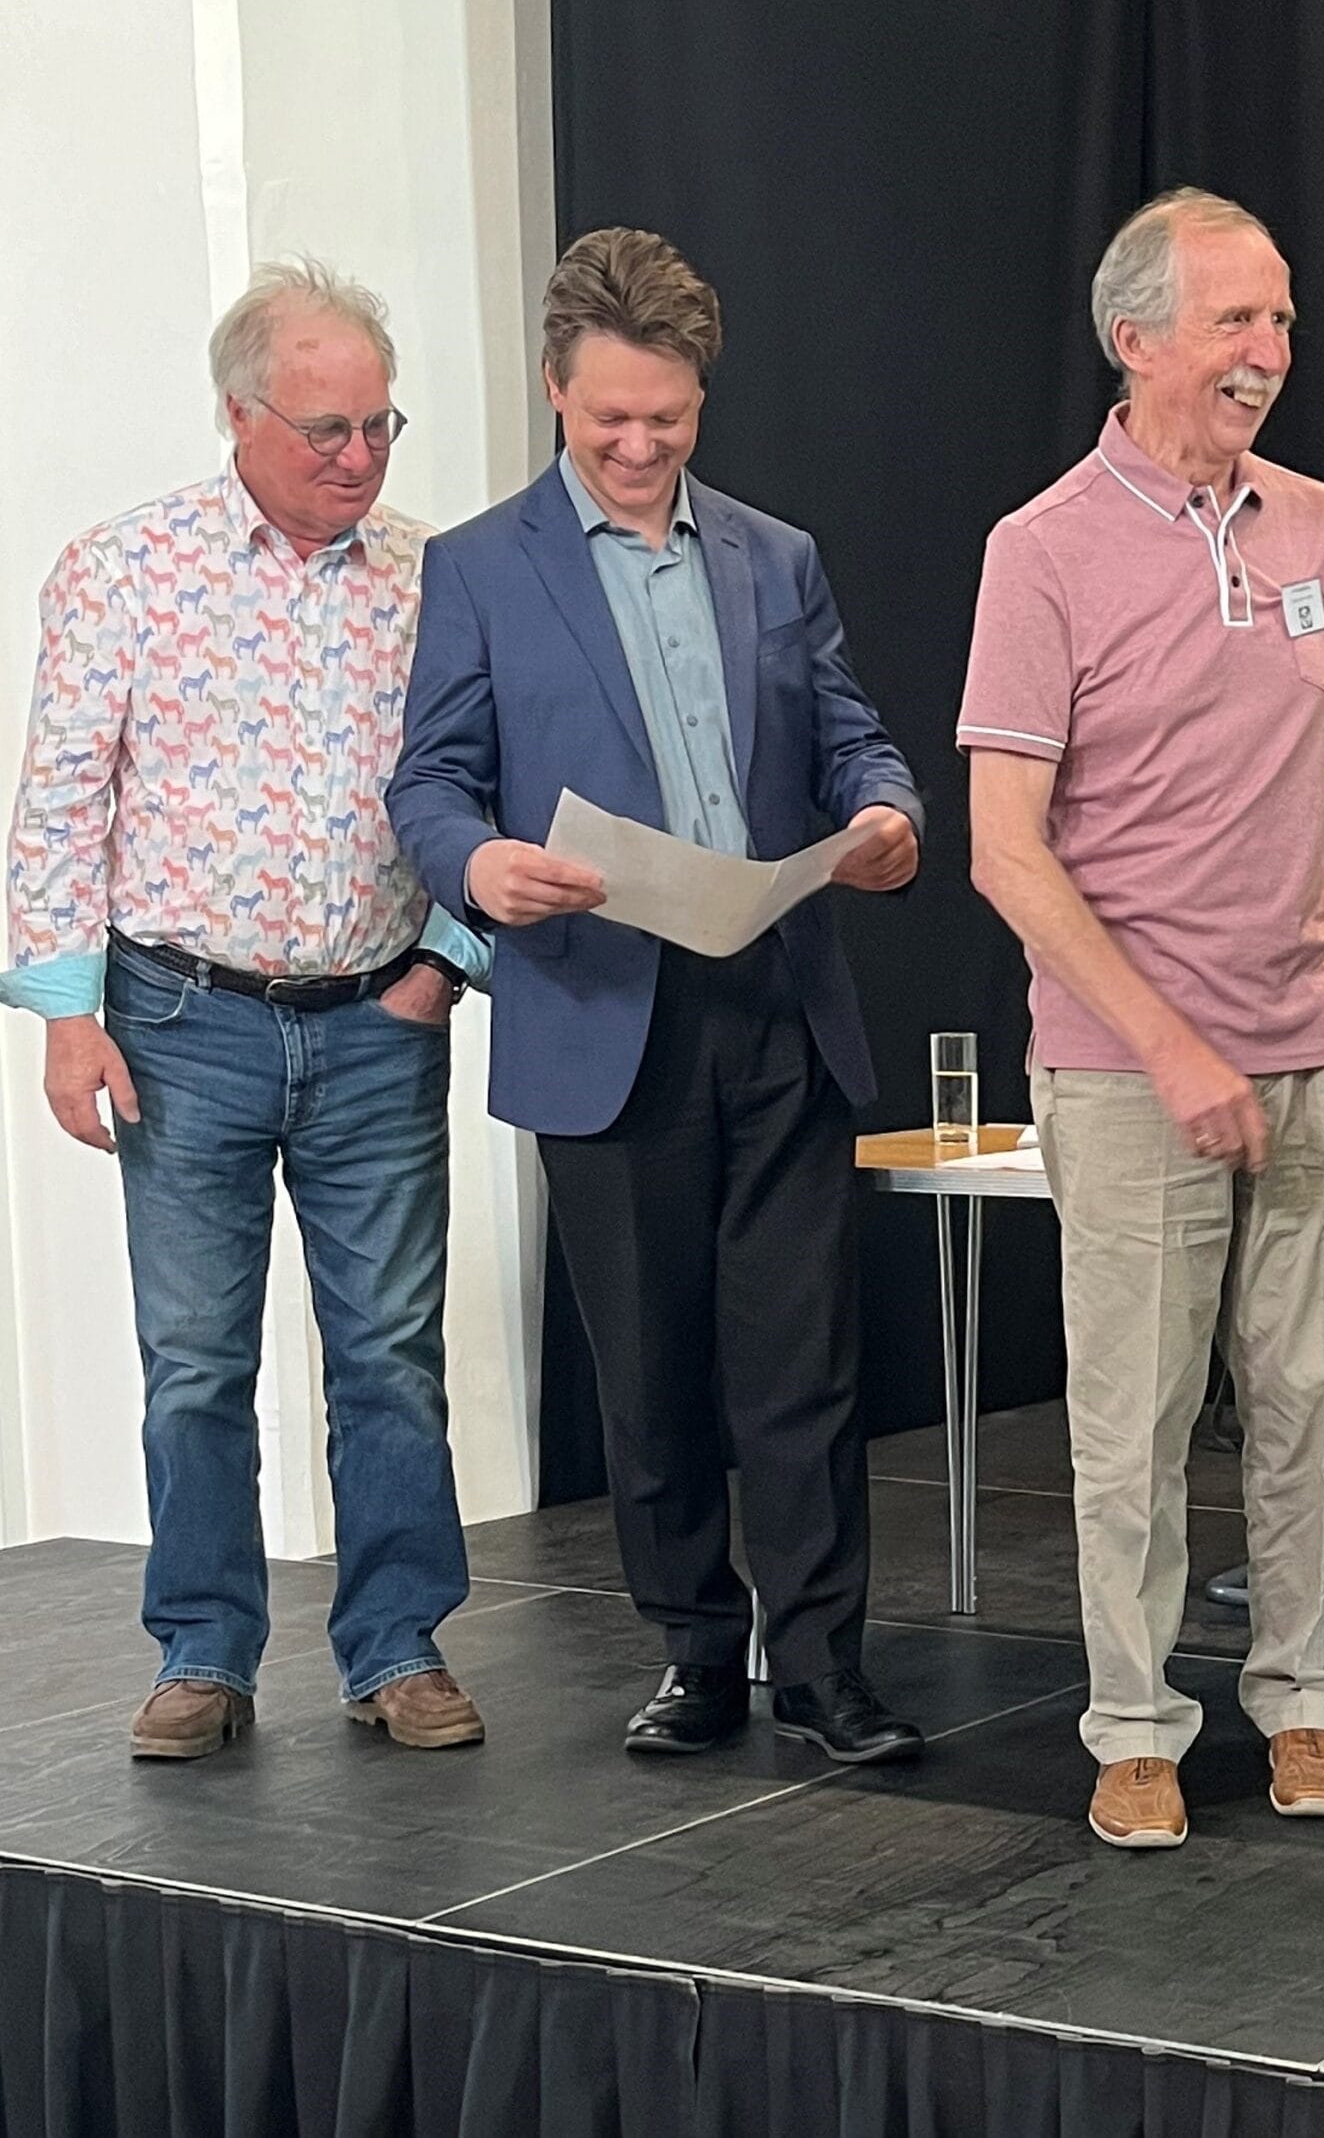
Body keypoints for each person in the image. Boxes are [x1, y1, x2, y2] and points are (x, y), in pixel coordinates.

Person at [961, 187, 1324, 1850]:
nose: (1271, 350)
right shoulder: (1042, 550)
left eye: (1282, 320)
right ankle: (1133, 1727)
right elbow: (1004, 852)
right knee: (1137, 1420)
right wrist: (1172, 1046)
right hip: (1127, 1074)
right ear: (1137, 339)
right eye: (1236, 320)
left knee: (1311, 1405)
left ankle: (1304, 1701)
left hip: (1315, 1045)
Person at [389, 228, 926, 1766]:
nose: (638, 446)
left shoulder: (777, 555)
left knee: (803, 1367)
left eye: (669, 419)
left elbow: (850, 735)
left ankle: (822, 1669)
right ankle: (697, 1653)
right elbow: (429, 782)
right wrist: (480, 866)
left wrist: (886, 814)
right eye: (611, 417)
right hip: (600, 1012)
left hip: (778, 1003)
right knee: (650, 1371)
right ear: (555, 389)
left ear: (702, 397)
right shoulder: (480, 567)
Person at [2, 259, 489, 1759]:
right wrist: (64, 1014)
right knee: (197, 1361)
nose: (358, 458)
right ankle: (203, 1651)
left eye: (380, 427)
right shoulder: (122, 570)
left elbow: (493, 782)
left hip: (377, 1021)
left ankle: (398, 1644)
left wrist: (447, 963)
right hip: (179, 1022)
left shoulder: (436, 577)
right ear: (239, 415)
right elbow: (61, 802)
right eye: (324, 429)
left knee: (390, 1353)